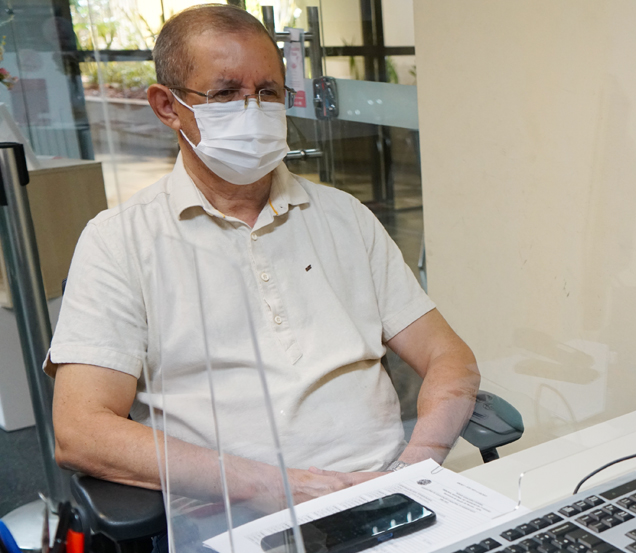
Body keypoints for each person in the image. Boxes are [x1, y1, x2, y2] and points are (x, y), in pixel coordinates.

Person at [46, 5, 479, 510]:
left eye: (268, 92)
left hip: (385, 494)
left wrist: (414, 472)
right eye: (226, 93)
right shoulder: (119, 240)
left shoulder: (344, 216)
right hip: (231, 517)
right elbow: (80, 430)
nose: (253, 110)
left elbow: (450, 358)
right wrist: (279, 486)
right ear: (167, 106)